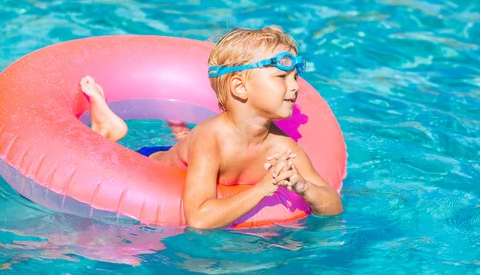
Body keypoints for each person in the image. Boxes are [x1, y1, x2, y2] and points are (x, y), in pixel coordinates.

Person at [80, 26, 343, 229]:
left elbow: (334, 207)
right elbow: (199, 219)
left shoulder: (283, 147)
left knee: (186, 142)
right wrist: (264, 188)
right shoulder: (212, 139)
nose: (296, 86)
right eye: (282, 77)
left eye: (296, 77)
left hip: (198, 160)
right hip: (150, 162)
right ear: (240, 87)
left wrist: (302, 186)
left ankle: (178, 128)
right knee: (99, 157)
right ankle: (107, 131)